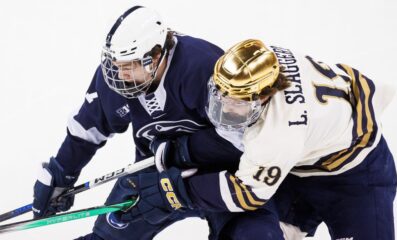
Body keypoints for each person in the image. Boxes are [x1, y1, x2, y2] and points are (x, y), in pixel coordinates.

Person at [31, 6, 284, 240]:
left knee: (257, 235)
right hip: (154, 178)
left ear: (156, 55)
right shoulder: (117, 79)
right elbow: (87, 129)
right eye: (115, 64)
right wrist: (61, 172)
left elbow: (243, 137)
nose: (120, 75)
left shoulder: (202, 67)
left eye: (129, 65)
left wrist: (184, 150)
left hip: (222, 176)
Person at [190, 39, 396, 239]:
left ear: (263, 96)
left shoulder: (278, 132)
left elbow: (247, 194)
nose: (225, 108)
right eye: (222, 95)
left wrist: (176, 192)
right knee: (251, 233)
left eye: (236, 101)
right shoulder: (262, 64)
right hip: (296, 167)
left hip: (356, 175)